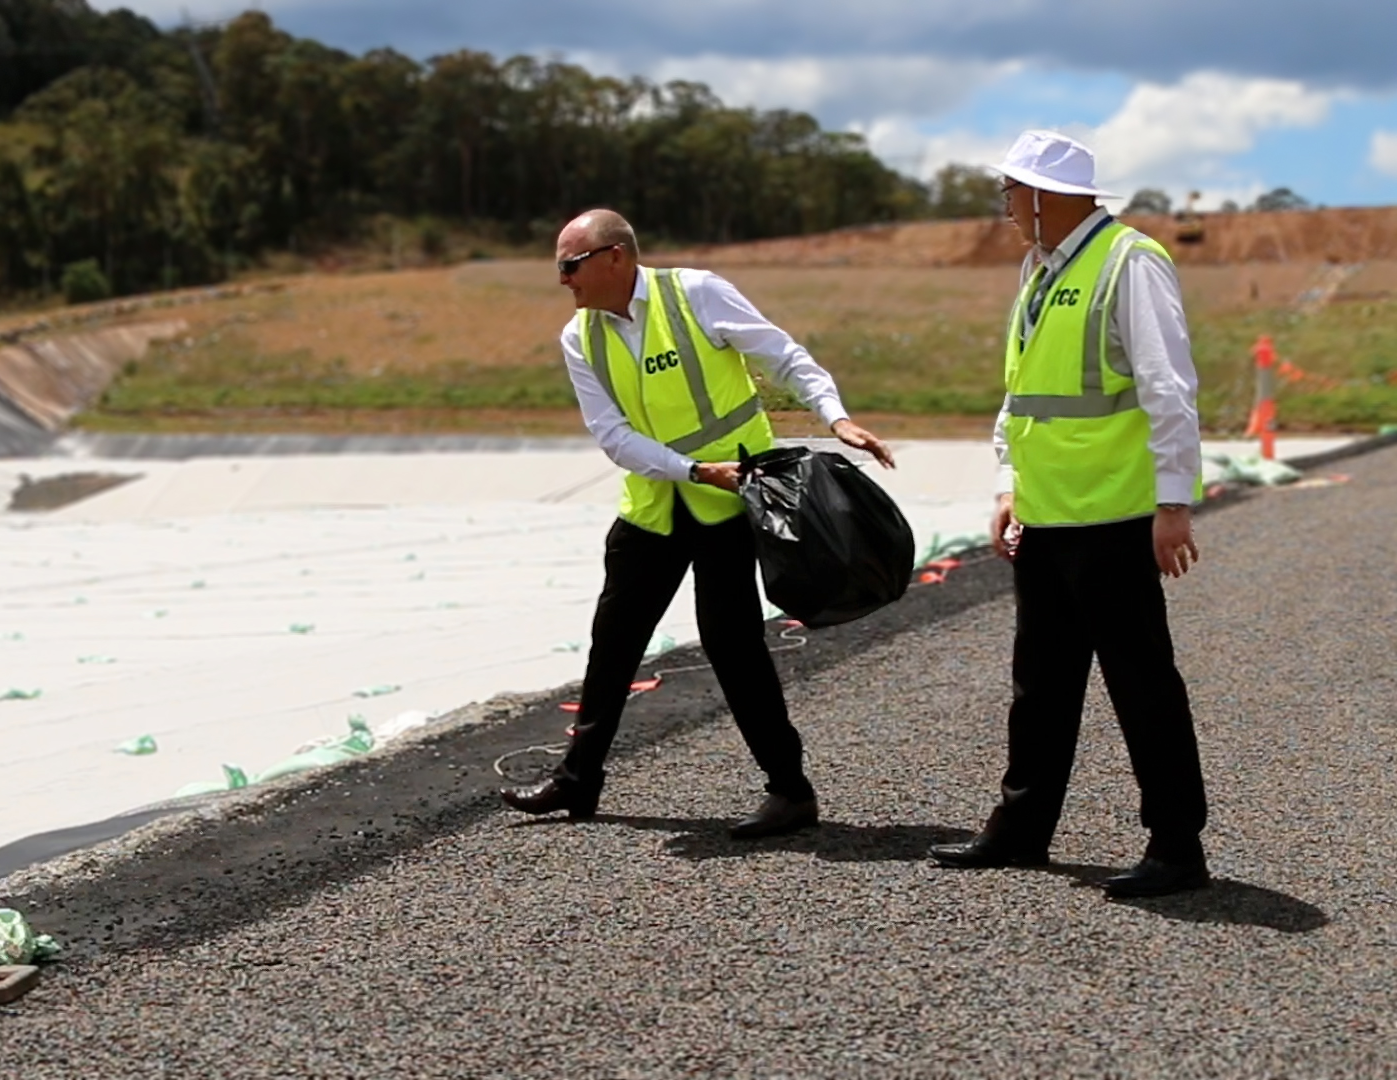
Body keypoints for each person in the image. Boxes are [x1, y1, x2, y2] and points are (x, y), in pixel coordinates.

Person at [498, 209, 895, 837]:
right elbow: (613, 437)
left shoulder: (697, 293)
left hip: (732, 502)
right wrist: (691, 470)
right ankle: (579, 782)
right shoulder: (580, 338)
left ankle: (791, 791)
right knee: (614, 639)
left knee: (732, 643)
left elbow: (783, 354)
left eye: (570, 266)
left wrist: (834, 415)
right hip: (659, 502)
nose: (563, 280)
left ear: (615, 258)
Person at [928, 130, 1211, 898]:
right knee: (1041, 685)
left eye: (1011, 192)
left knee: (1141, 682)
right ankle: (1022, 829)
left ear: (1045, 197)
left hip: (1115, 518)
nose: (1007, 207)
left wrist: (1173, 503)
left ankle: (1178, 846)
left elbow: (1167, 386)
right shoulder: (1041, 270)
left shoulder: (1131, 262)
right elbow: (1021, 398)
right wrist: (1006, 486)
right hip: (1048, 516)